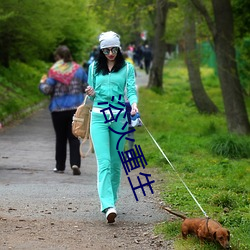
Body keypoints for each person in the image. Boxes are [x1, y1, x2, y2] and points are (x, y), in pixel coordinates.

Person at [85, 31, 138, 223]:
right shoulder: (93, 68)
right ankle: (107, 205)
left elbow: (131, 90)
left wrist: (133, 104)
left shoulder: (127, 68)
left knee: (116, 163)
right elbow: (91, 97)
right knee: (104, 162)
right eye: (106, 50)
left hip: (119, 119)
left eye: (114, 49)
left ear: (119, 48)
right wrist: (90, 92)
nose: (110, 53)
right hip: (99, 117)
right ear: (101, 50)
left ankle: (113, 201)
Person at [39, 45, 88, 175]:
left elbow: (47, 90)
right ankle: (75, 163)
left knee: (60, 138)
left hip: (58, 109)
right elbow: (86, 87)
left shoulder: (54, 71)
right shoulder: (79, 70)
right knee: (74, 137)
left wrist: (42, 83)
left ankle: (60, 166)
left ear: (58, 57)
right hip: (75, 109)